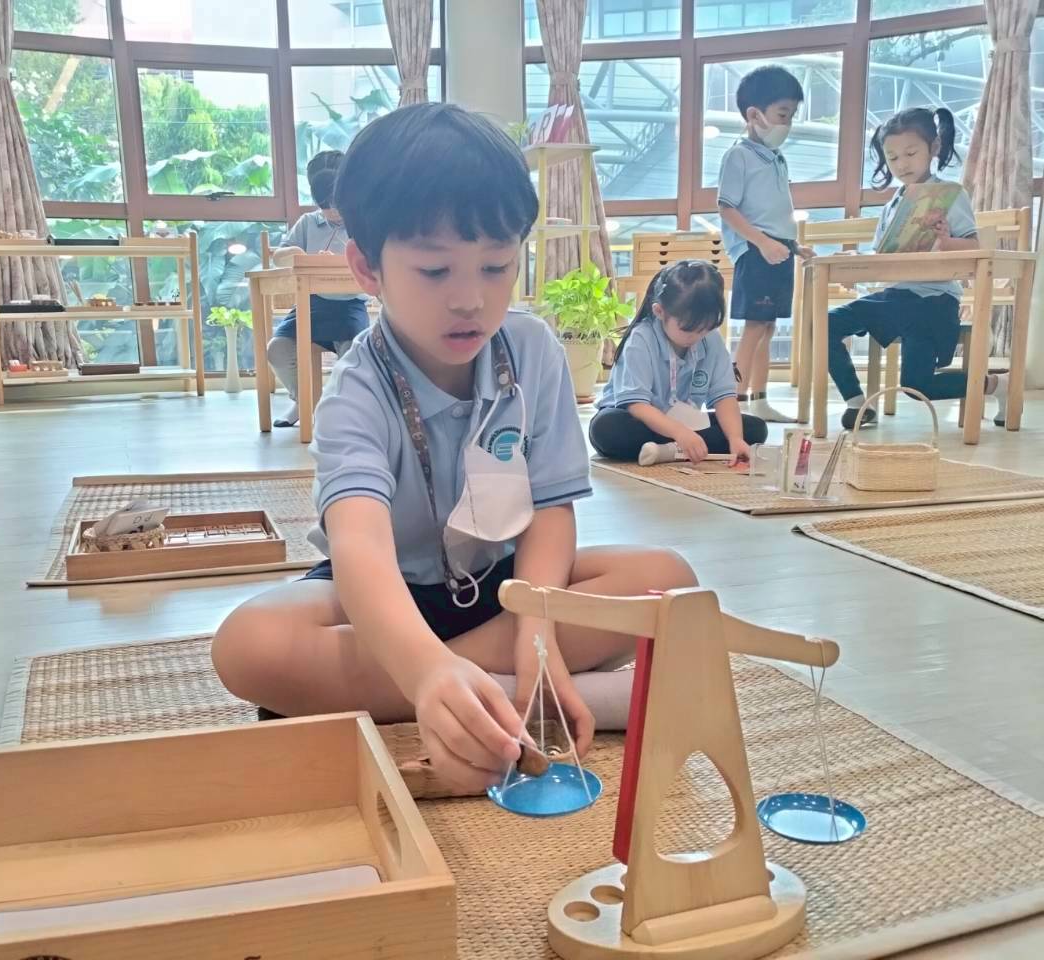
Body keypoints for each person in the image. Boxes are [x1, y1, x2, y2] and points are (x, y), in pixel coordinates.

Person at [212, 103, 697, 793]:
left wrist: (535, 629)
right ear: (367, 267)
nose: (471, 299)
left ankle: (465, 691)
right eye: (436, 271)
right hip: (384, 597)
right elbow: (360, 549)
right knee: (248, 644)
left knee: (668, 578)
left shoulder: (532, 351)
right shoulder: (357, 388)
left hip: (505, 588)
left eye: (497, 266)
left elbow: (551, 511)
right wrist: (424, 667)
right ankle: (499, 692)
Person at [826, 107, 1006, 429]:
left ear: (933, 148)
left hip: (933, 302)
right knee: (825, 323)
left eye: (910, 153)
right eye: (893, 157)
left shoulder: (950, 195)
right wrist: (858, 260)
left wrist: (946, 241)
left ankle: (995, 385)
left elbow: (974, 247)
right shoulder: (891, 205)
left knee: (917, 386)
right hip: (895, 298)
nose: (902, 164)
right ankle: (857, 402)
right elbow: (883, 255)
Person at [590, 261, 767, 464]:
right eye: (687, 329)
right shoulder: (641, 339)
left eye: (705, 328)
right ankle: (681, 447)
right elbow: (636, 406)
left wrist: (735, 439)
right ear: (659, 312)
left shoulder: (711, 339)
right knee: (605, 429)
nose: (697, 336)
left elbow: (724, 398)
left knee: (755, 429)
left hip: (686, 423)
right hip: (639, 419)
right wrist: (679, 432)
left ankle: (666, 450)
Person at [717, 65, 813, 424]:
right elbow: (727, 208)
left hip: (778, 250)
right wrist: (761, 243)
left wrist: (793, 246)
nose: (787, 124)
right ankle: (734, 401)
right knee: (755, 326)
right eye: (782, 115)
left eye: (791, 115)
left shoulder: (776, 158)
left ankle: (759, 400)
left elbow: (776, 212)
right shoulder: (738, 156)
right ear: (754, 115)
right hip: (756, 252)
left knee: (768, 327)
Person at [265, 152, 370, 427]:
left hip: (349, 306)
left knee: (356, 353)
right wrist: (298, 255)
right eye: (324, 206)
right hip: (310, 304)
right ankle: (305, 402)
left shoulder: (362, 224)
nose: (332, 212)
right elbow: (279, 256)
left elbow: (375, 262)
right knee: (277, 349)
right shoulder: (308, 223)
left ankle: (341, 408)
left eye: (336, 204)